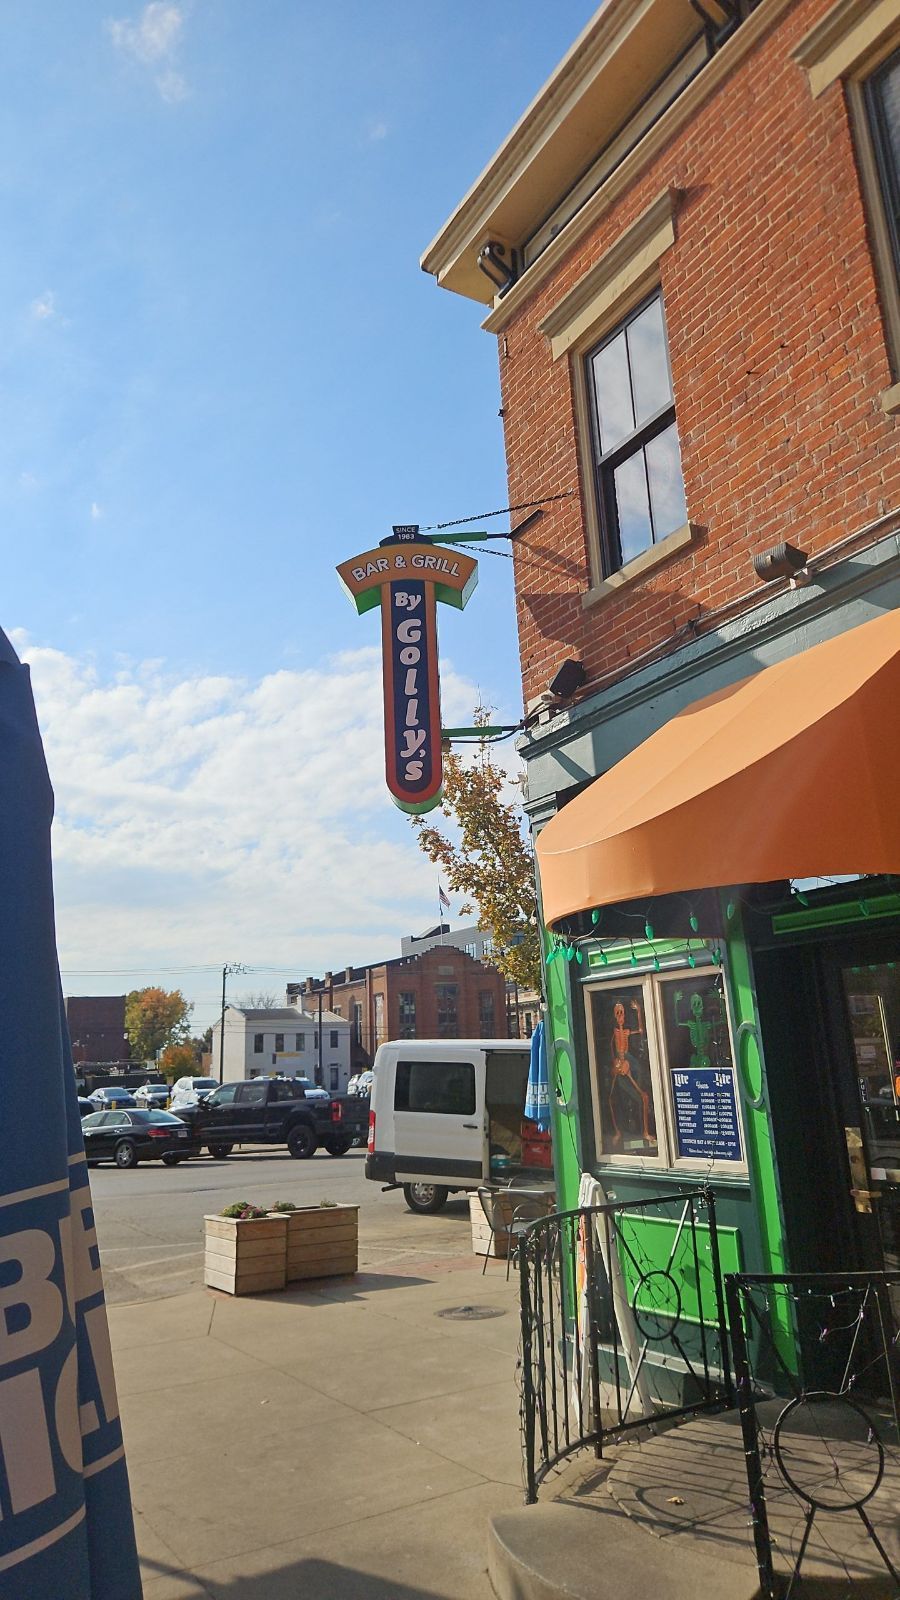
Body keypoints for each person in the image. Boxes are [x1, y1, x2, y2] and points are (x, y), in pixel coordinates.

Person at [608, 998, 655, 1148]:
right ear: (615, 1016)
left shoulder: (626, 1031)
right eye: (618, 1013)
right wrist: (615, 1063)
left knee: (643, 1097)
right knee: (610, 1098)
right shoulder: (614, 1033)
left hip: (627, 1062)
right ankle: (618, 1132)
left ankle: (645, 1132)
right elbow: (610, 1049)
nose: (621, 1015)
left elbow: (641, 1031)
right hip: (619, 1063)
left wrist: (639, 1011)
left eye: (622, 1012)